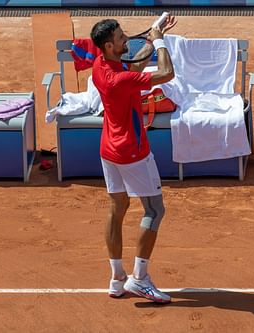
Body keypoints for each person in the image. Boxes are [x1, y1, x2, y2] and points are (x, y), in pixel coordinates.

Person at [90, 15, 177, 303]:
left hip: (108, 151)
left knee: (118, 208)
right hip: (133, 152)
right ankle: (140, 279)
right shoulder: (120, 80)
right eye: (121, 38)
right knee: (154, 210)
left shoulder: (101, 66)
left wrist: (151, 38)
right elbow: (166, 73)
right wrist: (162, 42)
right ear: (108, 45)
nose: (126, 39)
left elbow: (135, 67)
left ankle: (117, 278)